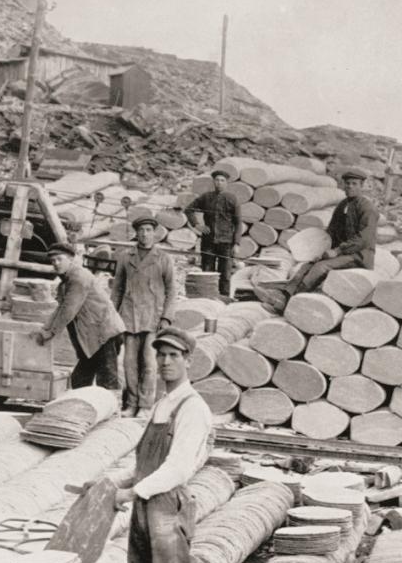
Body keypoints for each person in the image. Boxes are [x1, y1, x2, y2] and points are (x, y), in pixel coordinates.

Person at [109, 326, 214, 563]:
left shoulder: (193, 408)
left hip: (167, 505)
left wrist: (132, 492)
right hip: (145, 503)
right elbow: (144, 464)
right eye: (161, 355)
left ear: (189, 360)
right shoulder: (162, 404)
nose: (166, 362)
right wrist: (113, 483)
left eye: (174, 356)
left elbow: (176, 468)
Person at [253, 166, 378, 312]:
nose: (350, 186)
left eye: (354, 184)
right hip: (342, 252)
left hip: (359, 255)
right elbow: (331, 231)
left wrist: (337, 251)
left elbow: (364, 239)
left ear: (362, 186)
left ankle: (291, 303)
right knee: (308, 265)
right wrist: (322, 249)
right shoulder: (343, 205)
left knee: (321, 267)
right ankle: (283, 296)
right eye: (347, 183)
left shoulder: (367, 208)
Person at [111, 213, 177, 416]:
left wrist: (166, 317)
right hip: (129, 317)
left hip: (153, 318)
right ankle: (131, 404)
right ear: (136, 233)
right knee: (129, 363)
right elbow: (117, 289)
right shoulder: (125, 257)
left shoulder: (164, 259)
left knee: (149, 363)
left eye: (148, 230)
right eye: (141, 231)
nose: (145, 234)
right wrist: (113, 317)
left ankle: (146, 405)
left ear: (155, 233)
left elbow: (172, 290)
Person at [36, 244, 125, 393]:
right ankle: (80, 407)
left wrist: (50, 332)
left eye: (59, 259)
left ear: (71, 259)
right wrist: (45, 328)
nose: (56, 263)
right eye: (53, 261)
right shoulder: (67, 281)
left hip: (104, 333)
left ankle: (112, 409)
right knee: (80, 378)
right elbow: (60, 308)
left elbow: (69, 309)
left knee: (107, 378)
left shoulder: (78, 278)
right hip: (92, 336)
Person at [184, 168, 241, 297]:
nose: (219, 183)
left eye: (222, 180)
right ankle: (207, 298)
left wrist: (237, 243)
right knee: (207, 271)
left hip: (226, 242)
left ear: (226, 183)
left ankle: (224, 298)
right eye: (217, 180)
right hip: (208, 241)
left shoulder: (232, 199)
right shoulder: (206, 197)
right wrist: (197, 225)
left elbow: (238, 222)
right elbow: (189, 210)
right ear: (213, 182)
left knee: (225, 273)